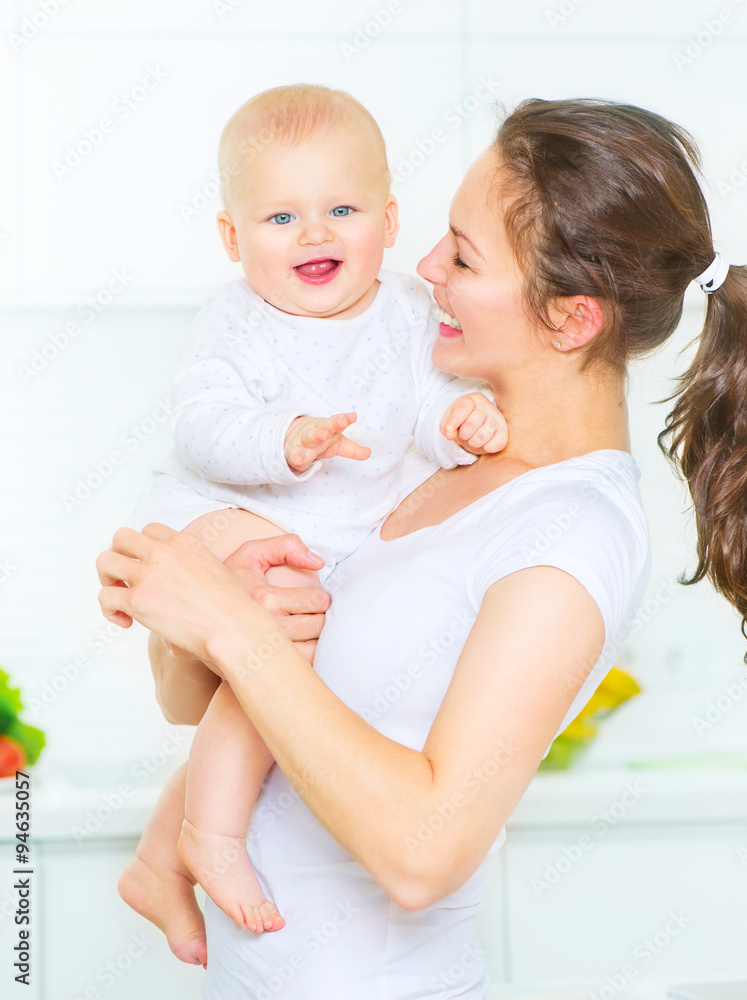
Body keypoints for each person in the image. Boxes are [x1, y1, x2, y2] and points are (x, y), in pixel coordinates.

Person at [97, 98, 747, 999]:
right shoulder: (436, 453)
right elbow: (192, 700)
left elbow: (422, 857)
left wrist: (231, 628)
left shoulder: (568, 533)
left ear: (571, 318)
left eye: (462, 256)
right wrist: (187, 598)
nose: (422, 267)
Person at [117, 83, 508, 964]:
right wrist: (279, 440)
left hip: (331, 541)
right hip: (221, 509)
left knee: (283, 678)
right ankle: (210, 838)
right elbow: (200, 425)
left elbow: (429, 402)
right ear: (231, 238)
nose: (316, 234)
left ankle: (156, 852)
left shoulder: (410, 312)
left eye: (341, 208)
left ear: (390, 216)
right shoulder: (236, 320)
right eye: (281, 217)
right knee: (279, 625)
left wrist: (459, 423)